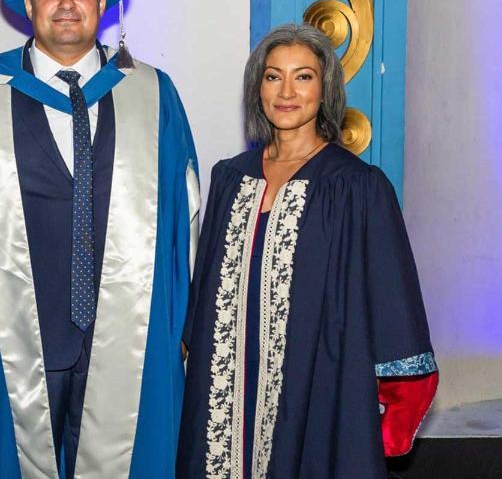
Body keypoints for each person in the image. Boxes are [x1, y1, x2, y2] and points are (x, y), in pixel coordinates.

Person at [0, 0, 199, 478]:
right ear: (28, 3)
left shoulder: (154, 94)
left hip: (127, 338)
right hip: (9, 338)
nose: (66, 3)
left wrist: (183, 331)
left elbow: (186, 225)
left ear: (103, 2)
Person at [177, 24, 438, 478]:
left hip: (317, 382)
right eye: (273, 76)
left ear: (325, 90)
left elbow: (393, 296)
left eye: (303, 77)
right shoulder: (228, 179)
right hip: (227, 388)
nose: (287, 91)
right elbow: (203, 298)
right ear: (257, 87)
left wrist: (399, 402)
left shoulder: (357, 187)